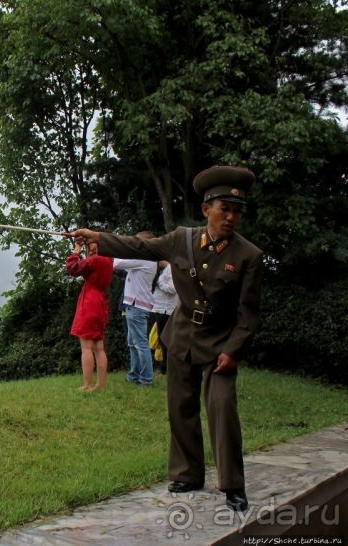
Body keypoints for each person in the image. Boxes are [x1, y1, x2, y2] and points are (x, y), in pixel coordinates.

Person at [65, 165, 263, 513]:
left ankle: (232, 484)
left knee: (222, 408)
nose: (231, 217)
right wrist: (97, 237)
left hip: (221, 341)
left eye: (237, 211)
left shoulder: (248, 256)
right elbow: (140, 246)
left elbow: (249, 316)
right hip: (183, 334)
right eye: (224, 209)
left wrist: (234, 351)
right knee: (180, 407)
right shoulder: (182, 239)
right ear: (206, 209)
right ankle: (188, 474)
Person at [65, 231, 115, 391]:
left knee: (86, 346)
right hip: (100, 302)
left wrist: (77, 248)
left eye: (93, 247)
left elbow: (72, 268)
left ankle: (87, 384)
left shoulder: (95, 260)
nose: (90, 250)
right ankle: (100, 384)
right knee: (99, 347)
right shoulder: (108, 259)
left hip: (90, 302)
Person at [112, 232, 156, 387]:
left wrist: (120, 246)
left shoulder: (143, 258)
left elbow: (116, 264)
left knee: (140, 344)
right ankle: (135, 375)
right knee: (133, 343)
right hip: (136, 305)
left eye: (137, 242)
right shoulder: (145, 258)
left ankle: (145, 379)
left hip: (137, 306)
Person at [151, 261, 178, 375]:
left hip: (166, 310)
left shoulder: (171, 268)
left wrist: (159, 284)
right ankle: (165, 368)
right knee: (162, 340)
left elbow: (173, 288)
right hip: (160, 309)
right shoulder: (165, 270)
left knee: (166, 340)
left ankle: (166, 370)